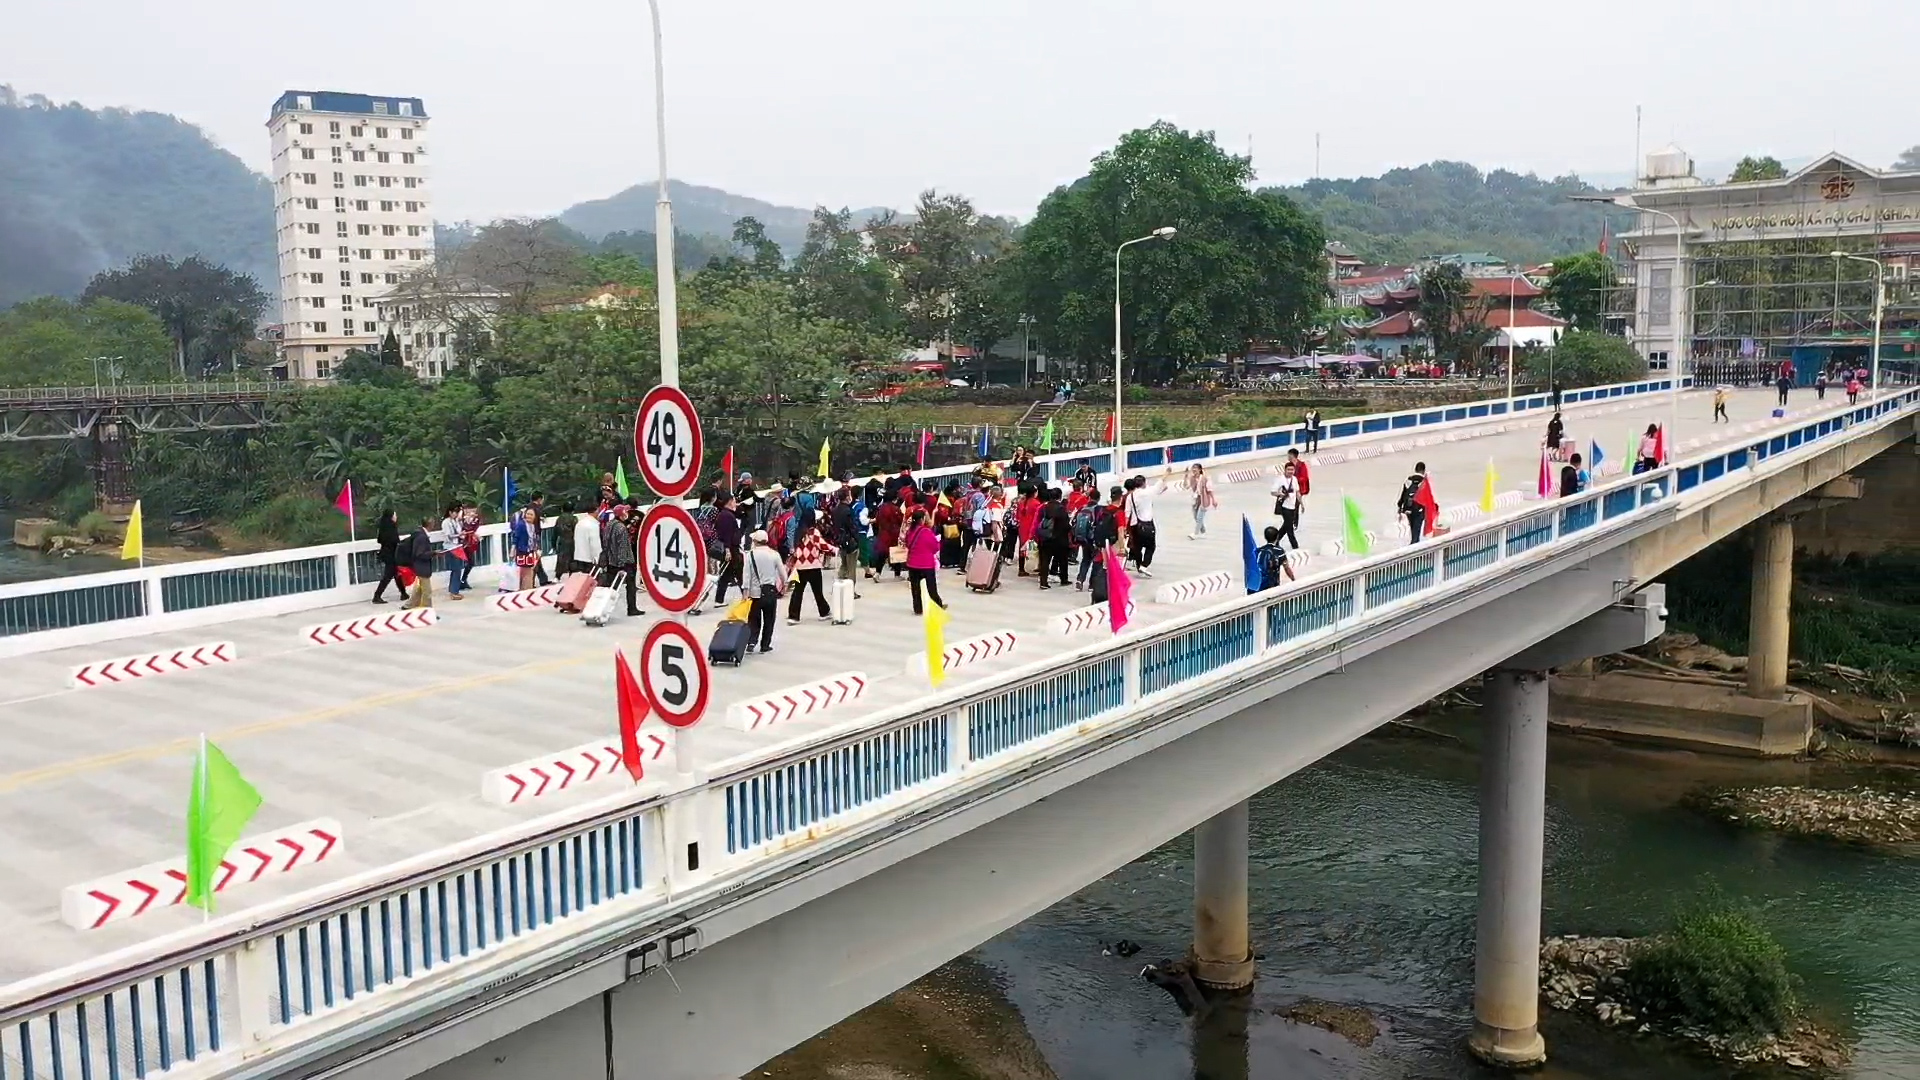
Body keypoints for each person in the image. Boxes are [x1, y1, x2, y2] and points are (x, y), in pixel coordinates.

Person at [740, 530, 785, 654]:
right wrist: (783, 586)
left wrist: (745, 593)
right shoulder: (774, 554)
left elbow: (746, 575)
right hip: (770, 592)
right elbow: (783, 574)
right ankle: (765, 645)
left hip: (755, 593)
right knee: (769, 619)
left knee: (754, 619)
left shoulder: (750, 555)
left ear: (755, 541)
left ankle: (751, 642)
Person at [784, 520, 838, 623]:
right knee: (818, 591)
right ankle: (824, 612)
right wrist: (834, 549)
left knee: (798, 592)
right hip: (813, 565)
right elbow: (822, 545)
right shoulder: (813, 532)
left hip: (800, 566)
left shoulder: (798, 532)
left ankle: (793, 616)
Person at [601, 503, 643, 617]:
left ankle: (602, 608)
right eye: (625, 512)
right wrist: (622, 566)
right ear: (621, 514)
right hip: (624, 563)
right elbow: (623, 547)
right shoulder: (621, 528)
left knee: (610, 588)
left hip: (611, 560)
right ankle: (632, 608)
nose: (627, 514)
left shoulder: (609, 525)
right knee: (630, 586)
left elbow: (605, 543)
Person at [903, 508, 947, 614]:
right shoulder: (926, 531)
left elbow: (908, 544)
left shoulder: (910, 531)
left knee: (915, 588)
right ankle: (937, 605)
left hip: (912, 563)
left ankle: (918, 608)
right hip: (926, 564)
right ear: (922, 519)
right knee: (931, 588)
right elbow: (935, 547)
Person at [371, 509, 409, 604]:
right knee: (388, 576)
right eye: (395, 515)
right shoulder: (391, 527)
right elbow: (395, 541)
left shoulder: (383, 527)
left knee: (396, 574)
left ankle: (403, 593)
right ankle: (377, 595)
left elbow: (380, 540)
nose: (396, 517)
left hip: (386, 553)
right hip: (391, 555)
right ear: (391, 517)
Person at [1037, 487, 1072, 589]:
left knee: (1045, 560)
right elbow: (1066, 525)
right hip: (1059, 539)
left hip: (1046, 536)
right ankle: (1064, 579)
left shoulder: (1044, 507)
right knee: (1063, 560)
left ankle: (1043, 582)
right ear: (1059, 497)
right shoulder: (1061, 509)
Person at [1124, 476, 1157, 576]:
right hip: (1147, 524)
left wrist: (1125, 528)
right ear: (1143, 483)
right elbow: (1160, 484)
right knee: (1151, 547)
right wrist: (1167, 473)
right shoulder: (1148, 492)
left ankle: (1139, 565)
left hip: (1135, 525)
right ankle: (1144, 565)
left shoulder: (1131, 496)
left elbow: (1127, 513)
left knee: (1137, 547)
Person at [1270, 461, 1303, 550]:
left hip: (1293, 506)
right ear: (1285, 470)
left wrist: (1301, 504)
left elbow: (1297, 492)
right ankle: (1295, 547)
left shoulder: (1295, 479)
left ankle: (1275, 541)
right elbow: (1273, 492)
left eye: (1292, 470)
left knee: (1286, 526)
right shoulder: (1280, 479)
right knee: (1290, 529)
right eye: (1288, 469)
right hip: (1285, 506)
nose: (1290, 471)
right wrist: (1281, 494)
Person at [406, 516, 438, 608]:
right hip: (422, 567)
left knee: (419, 589)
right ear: (430, 524)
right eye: (433, 522)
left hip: (419, 566)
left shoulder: (420, 534)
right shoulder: (422, 537)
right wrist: (433, 553)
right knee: (427, 592)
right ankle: (427, 611)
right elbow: (420, 554)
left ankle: (409, 605)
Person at [875, 489, 906, 579]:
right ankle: (897, 574)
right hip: (893, 534)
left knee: (882, 555)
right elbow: (901, 521)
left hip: (883, 533)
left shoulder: (881, 508)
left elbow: (877, 520)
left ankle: (877, 573)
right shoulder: (895, 509)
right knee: (896, 554)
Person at [1254, 526, 1296, 592]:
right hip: (1274, 586)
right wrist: (1293, 579)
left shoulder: (1259, 551)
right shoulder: (1279, 551)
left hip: (1261, 585)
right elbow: (1286, 568)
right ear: (1277, 537)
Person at [1396, 462, 1430, 545]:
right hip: (1419, 510)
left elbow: (1403, 495)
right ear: (1423, 471)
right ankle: (1414, 553)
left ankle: (1413, 547)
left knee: (1413, 530)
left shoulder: (1408, 480)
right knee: (1416, 533)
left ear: (1415, 470)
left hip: (1409, 510)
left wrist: (1400, 508)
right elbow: (1428, 498)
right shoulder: (1424, 482)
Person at [438, 502, 466, 600]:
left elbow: (459, 531)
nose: (455, 514)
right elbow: (449, 535)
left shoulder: (456, 521)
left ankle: (454, 590)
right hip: (451, 547)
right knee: (456, 569)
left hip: (457, 546)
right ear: (450, 512)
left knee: (457, 570)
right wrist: (459, 535)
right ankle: (454, 592)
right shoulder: (446, 522)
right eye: (454, 512)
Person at [510, 506, 541, 590]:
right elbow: (516, 537)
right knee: (523, 572)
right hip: (522, 551)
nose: (529, 516)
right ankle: (522, 589)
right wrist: (512, 550)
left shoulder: (533, 526)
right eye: (528, 514)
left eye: (531, 514)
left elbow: (534, 539)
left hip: (530, 551)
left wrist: (536, 550)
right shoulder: (521, 525)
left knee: (530, 572)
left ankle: (527, 589)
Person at [1184, 463, 1218, 538]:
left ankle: (1195, 534)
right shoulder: (1192, 478)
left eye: (1195, 468)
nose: (1194, 470)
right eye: (1193, 468)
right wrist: (1186, 476)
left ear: (1200, 470)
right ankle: (1203, 531)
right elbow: (1185, 486)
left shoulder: (1205, 478)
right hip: (1195, 500)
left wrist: (1214, 500)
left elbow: (1210, 490)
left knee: (1199, 517)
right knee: (1196, 517)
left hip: (1204, 499)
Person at [526, 493, 551, 586]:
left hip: (530, 536)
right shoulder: (536, 509)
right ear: (540, 499)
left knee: (536, 558)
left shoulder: (527, 508)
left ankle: (543, 578)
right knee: (535, 558)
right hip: (534, 536)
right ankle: (530, 581)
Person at [571, 501, 602, 577]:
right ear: (597, 510)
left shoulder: (580, 523)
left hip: (578, 556)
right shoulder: (593, 525)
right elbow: (595, 544)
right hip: (589, 559)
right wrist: (597, 558)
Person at [552, 500, 577, 577]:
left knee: (561, 560)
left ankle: (557, 576)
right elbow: (576, 531)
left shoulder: (559, 519)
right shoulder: (574, 519)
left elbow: (555, 532)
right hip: (572, 542)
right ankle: (572, 575)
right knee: (572, 559)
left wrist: (553, 544)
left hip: (562, 541)